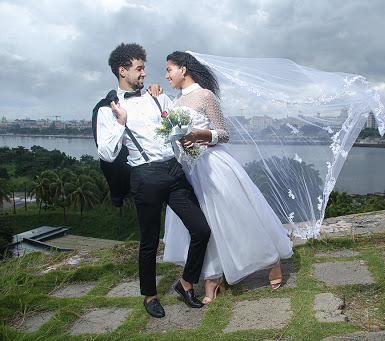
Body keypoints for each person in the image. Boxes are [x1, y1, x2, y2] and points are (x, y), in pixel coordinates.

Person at [155, 51, 294, 304]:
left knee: (236, 218)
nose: (166, 75)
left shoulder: (205, 95)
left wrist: (199, 134)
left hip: (213, 166)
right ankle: (213, 277)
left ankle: (271, 261)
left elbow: (224, 133)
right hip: (190, 171)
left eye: (169, 70)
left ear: (183, 69)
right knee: (205, 225)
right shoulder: (175, 102)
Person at [96, 43, 211, 318]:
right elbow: (106, 154)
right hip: (144, 177)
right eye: (139, 68)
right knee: (148, 241)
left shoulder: (157, 97)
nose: (145, 74)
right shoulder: (108, 109)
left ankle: (185, 283)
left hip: (173, 172)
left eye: (144, 68)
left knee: (201, 229)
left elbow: (176, 128)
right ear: (123, 71)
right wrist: (121, 122)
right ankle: (150, 296)